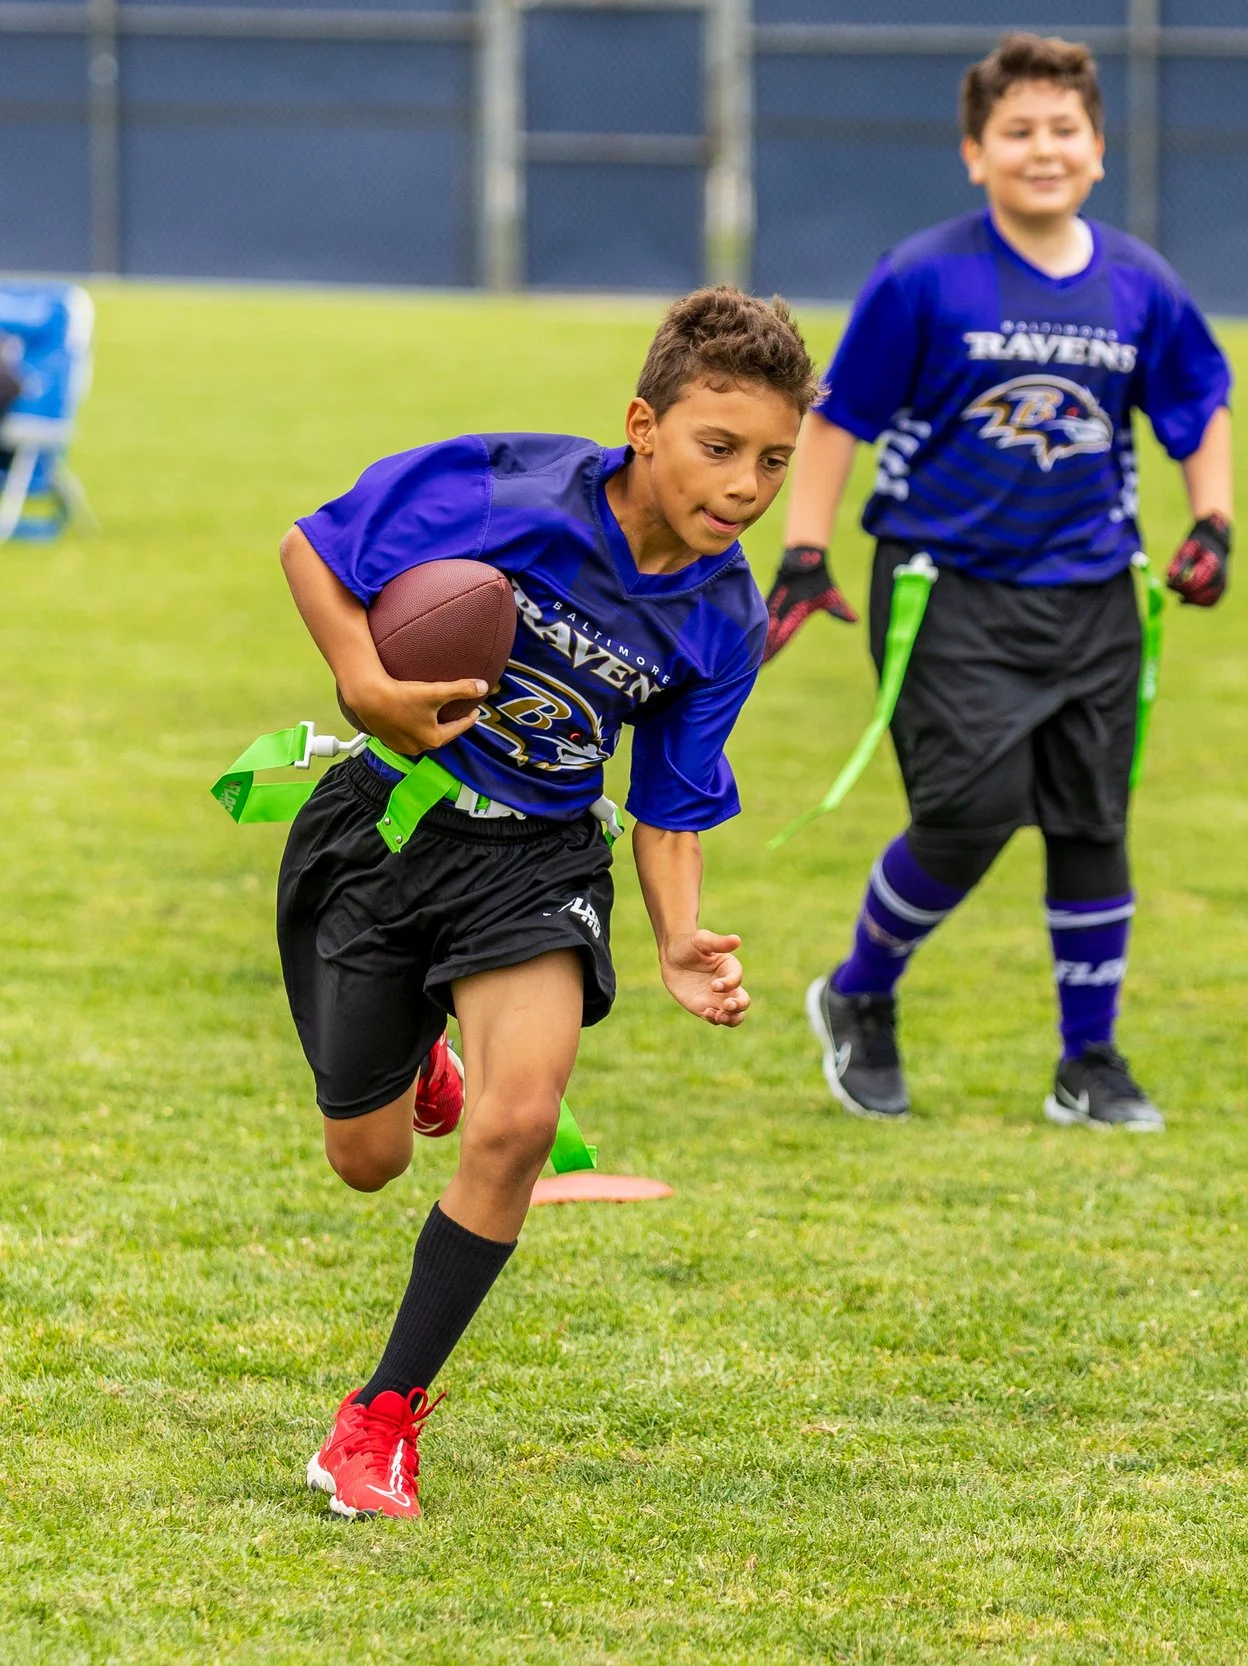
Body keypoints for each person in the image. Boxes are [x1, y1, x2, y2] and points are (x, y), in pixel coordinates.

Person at [276, 287, 812, 1517]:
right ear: (643, 425)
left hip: (537, 864)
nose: (745, 485)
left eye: (773, 461)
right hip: (388, 825)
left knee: (517, 1122)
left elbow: (670, 800)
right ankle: (419, 1058)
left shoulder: (725, 617)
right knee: (366, 1160)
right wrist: (363, 681)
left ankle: (380, 1417)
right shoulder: (509, 491)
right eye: (719, 447)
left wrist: (678, 936)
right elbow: (316, 546)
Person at [764, 31, 1234, 1132]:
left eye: (1064, 129)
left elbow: (1197, 401)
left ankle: (1089, 1062)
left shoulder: (1139, 282)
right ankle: (858, 992)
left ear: (1099, 149)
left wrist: (1213, 521)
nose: (1043, 148)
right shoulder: (924, 275)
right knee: (967, 814)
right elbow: (838, 418)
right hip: (946, 591)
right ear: (975, 153)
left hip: (1096, 593)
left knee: (1091, 824)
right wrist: (803, 552)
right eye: (1017, 131)